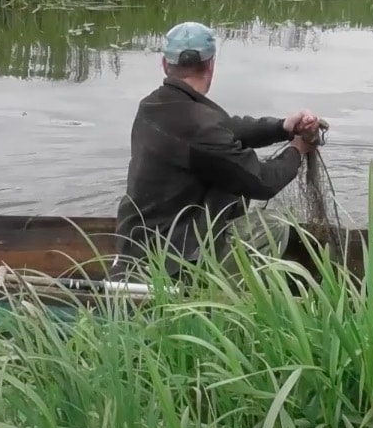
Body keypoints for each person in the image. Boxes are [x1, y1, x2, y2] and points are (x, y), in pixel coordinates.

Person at [112, 21, 326, 282]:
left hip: (137, 242)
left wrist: (282, 126)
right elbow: (263, 181)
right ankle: (213, 291)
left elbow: (228, 127)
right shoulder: (200, 126)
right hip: (173, 262)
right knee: (272, 226)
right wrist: (298, 149)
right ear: (211, 65)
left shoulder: (152, 107)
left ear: (165, 65)